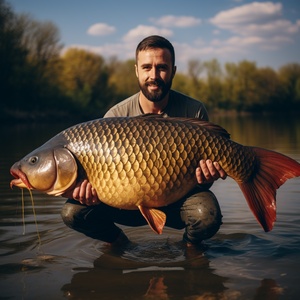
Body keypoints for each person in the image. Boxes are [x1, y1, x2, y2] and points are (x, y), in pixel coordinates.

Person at [61, 35, 227, 247]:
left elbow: (204, 182)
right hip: (125, 205)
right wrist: (90, 195)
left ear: (173, 71)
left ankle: (191, 251)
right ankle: (120, 243)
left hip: (177, 201)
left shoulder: (193, 111)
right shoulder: (114, 116)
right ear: (137, 71)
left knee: (207, 215)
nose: (153, 75)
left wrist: (207, 177)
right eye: (147, 67)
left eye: (162, 67)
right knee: (72, 211)